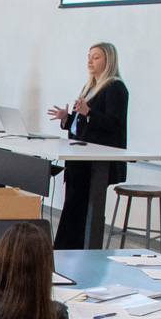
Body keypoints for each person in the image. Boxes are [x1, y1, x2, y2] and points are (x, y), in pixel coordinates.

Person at [47, 41, 128, 250]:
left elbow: (114, 124)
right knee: (72, 207)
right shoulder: (90, 86)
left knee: (79, 209)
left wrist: (88, 113)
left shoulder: (115, 87)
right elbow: (81, 123)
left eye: (96, 57)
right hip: (78, 158)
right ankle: (63, 252)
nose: (90, 61)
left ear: (108, 60)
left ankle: (71, 252)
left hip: (95, 162)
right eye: (89, 56)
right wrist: (67, 119)